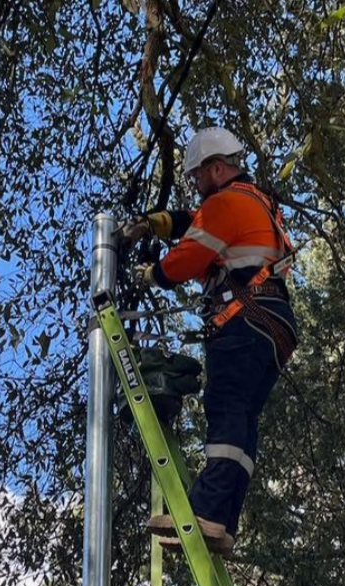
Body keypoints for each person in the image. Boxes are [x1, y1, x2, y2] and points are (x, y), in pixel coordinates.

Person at [122, 127, 296, 556]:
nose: (197, 187)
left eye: (198, 176)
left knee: (226, 406)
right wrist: (155, 223)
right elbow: (190, 221)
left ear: (217, 168)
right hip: (270, 323)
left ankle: (208, 513)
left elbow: (189, 256)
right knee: (242, 421)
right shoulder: (252, 201)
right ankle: (222, 522)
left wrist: (154, 274)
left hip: (247, 320)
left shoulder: (225, 204)